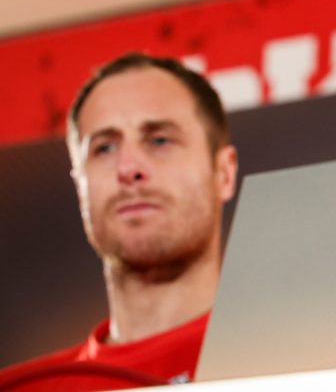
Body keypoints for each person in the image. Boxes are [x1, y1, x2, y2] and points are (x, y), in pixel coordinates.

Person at [0, 53, 238, 389]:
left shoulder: (300, 360)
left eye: (159, 140)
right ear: (80, 186)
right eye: (104, 148)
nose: (128, 168)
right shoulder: (26, 388)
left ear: (224, 173)